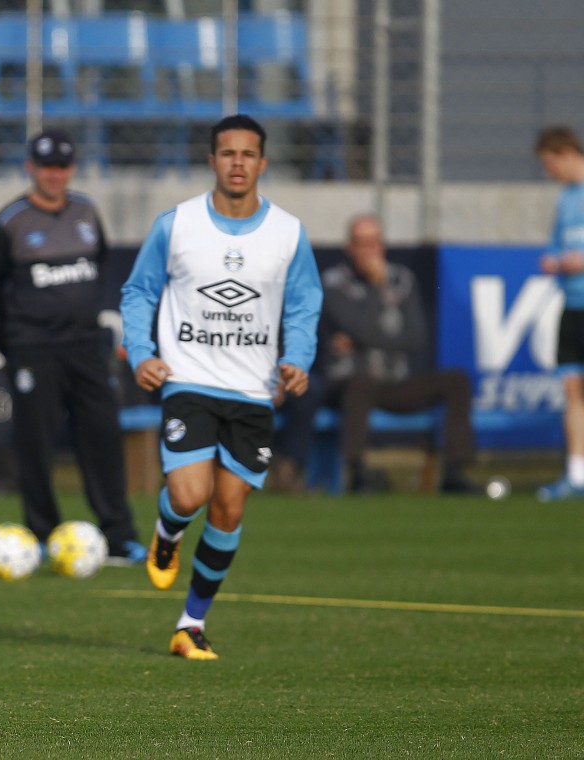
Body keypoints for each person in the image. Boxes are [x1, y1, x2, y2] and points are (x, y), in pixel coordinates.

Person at [120, 114, 321, 660]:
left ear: (263, 162)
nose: (237, 163)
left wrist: (297, 358)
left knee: (229, 511)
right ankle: (167, 530)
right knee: (191, 494)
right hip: (188, 379)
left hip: (253, 392)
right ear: (211, 161)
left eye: (248, 154)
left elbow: (305, 303)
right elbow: (138, 292)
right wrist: (142, 354)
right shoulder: (177, 224)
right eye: (227, 153)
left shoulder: (288, 233)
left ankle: (190, 625)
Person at [0, 129, 145, 563]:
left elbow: (97, 267)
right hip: (33, 348)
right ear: (30, 168)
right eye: (45, 167)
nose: (54, 175)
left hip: (85, 346)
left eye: (61, 167)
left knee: (103, 438)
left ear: (71, 168)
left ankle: (118, 534)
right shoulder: (10, 221)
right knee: (35, 443)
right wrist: (12, 343)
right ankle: (42, 532)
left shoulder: (87, 212)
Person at [312, 215, 480, 494]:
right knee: (361, 382)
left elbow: (416, 337)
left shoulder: (403, 279)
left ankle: (454, 472)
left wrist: (362, 340)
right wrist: (378, 289)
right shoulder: (333, 283)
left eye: (375, 242)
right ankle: (359, 472)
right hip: (348, 381)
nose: (369, 250)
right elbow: (353, 325)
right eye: (362, 243)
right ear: (348, 247)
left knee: (457, 380)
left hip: (394, 380)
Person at [534, 126, 584, 501]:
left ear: (567, 152)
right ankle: (577, 475)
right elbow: (555, 248)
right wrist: (555, 262)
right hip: (572, 304)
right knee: (571, 390)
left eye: (550, 164)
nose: (549, 173)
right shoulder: (566, 201)